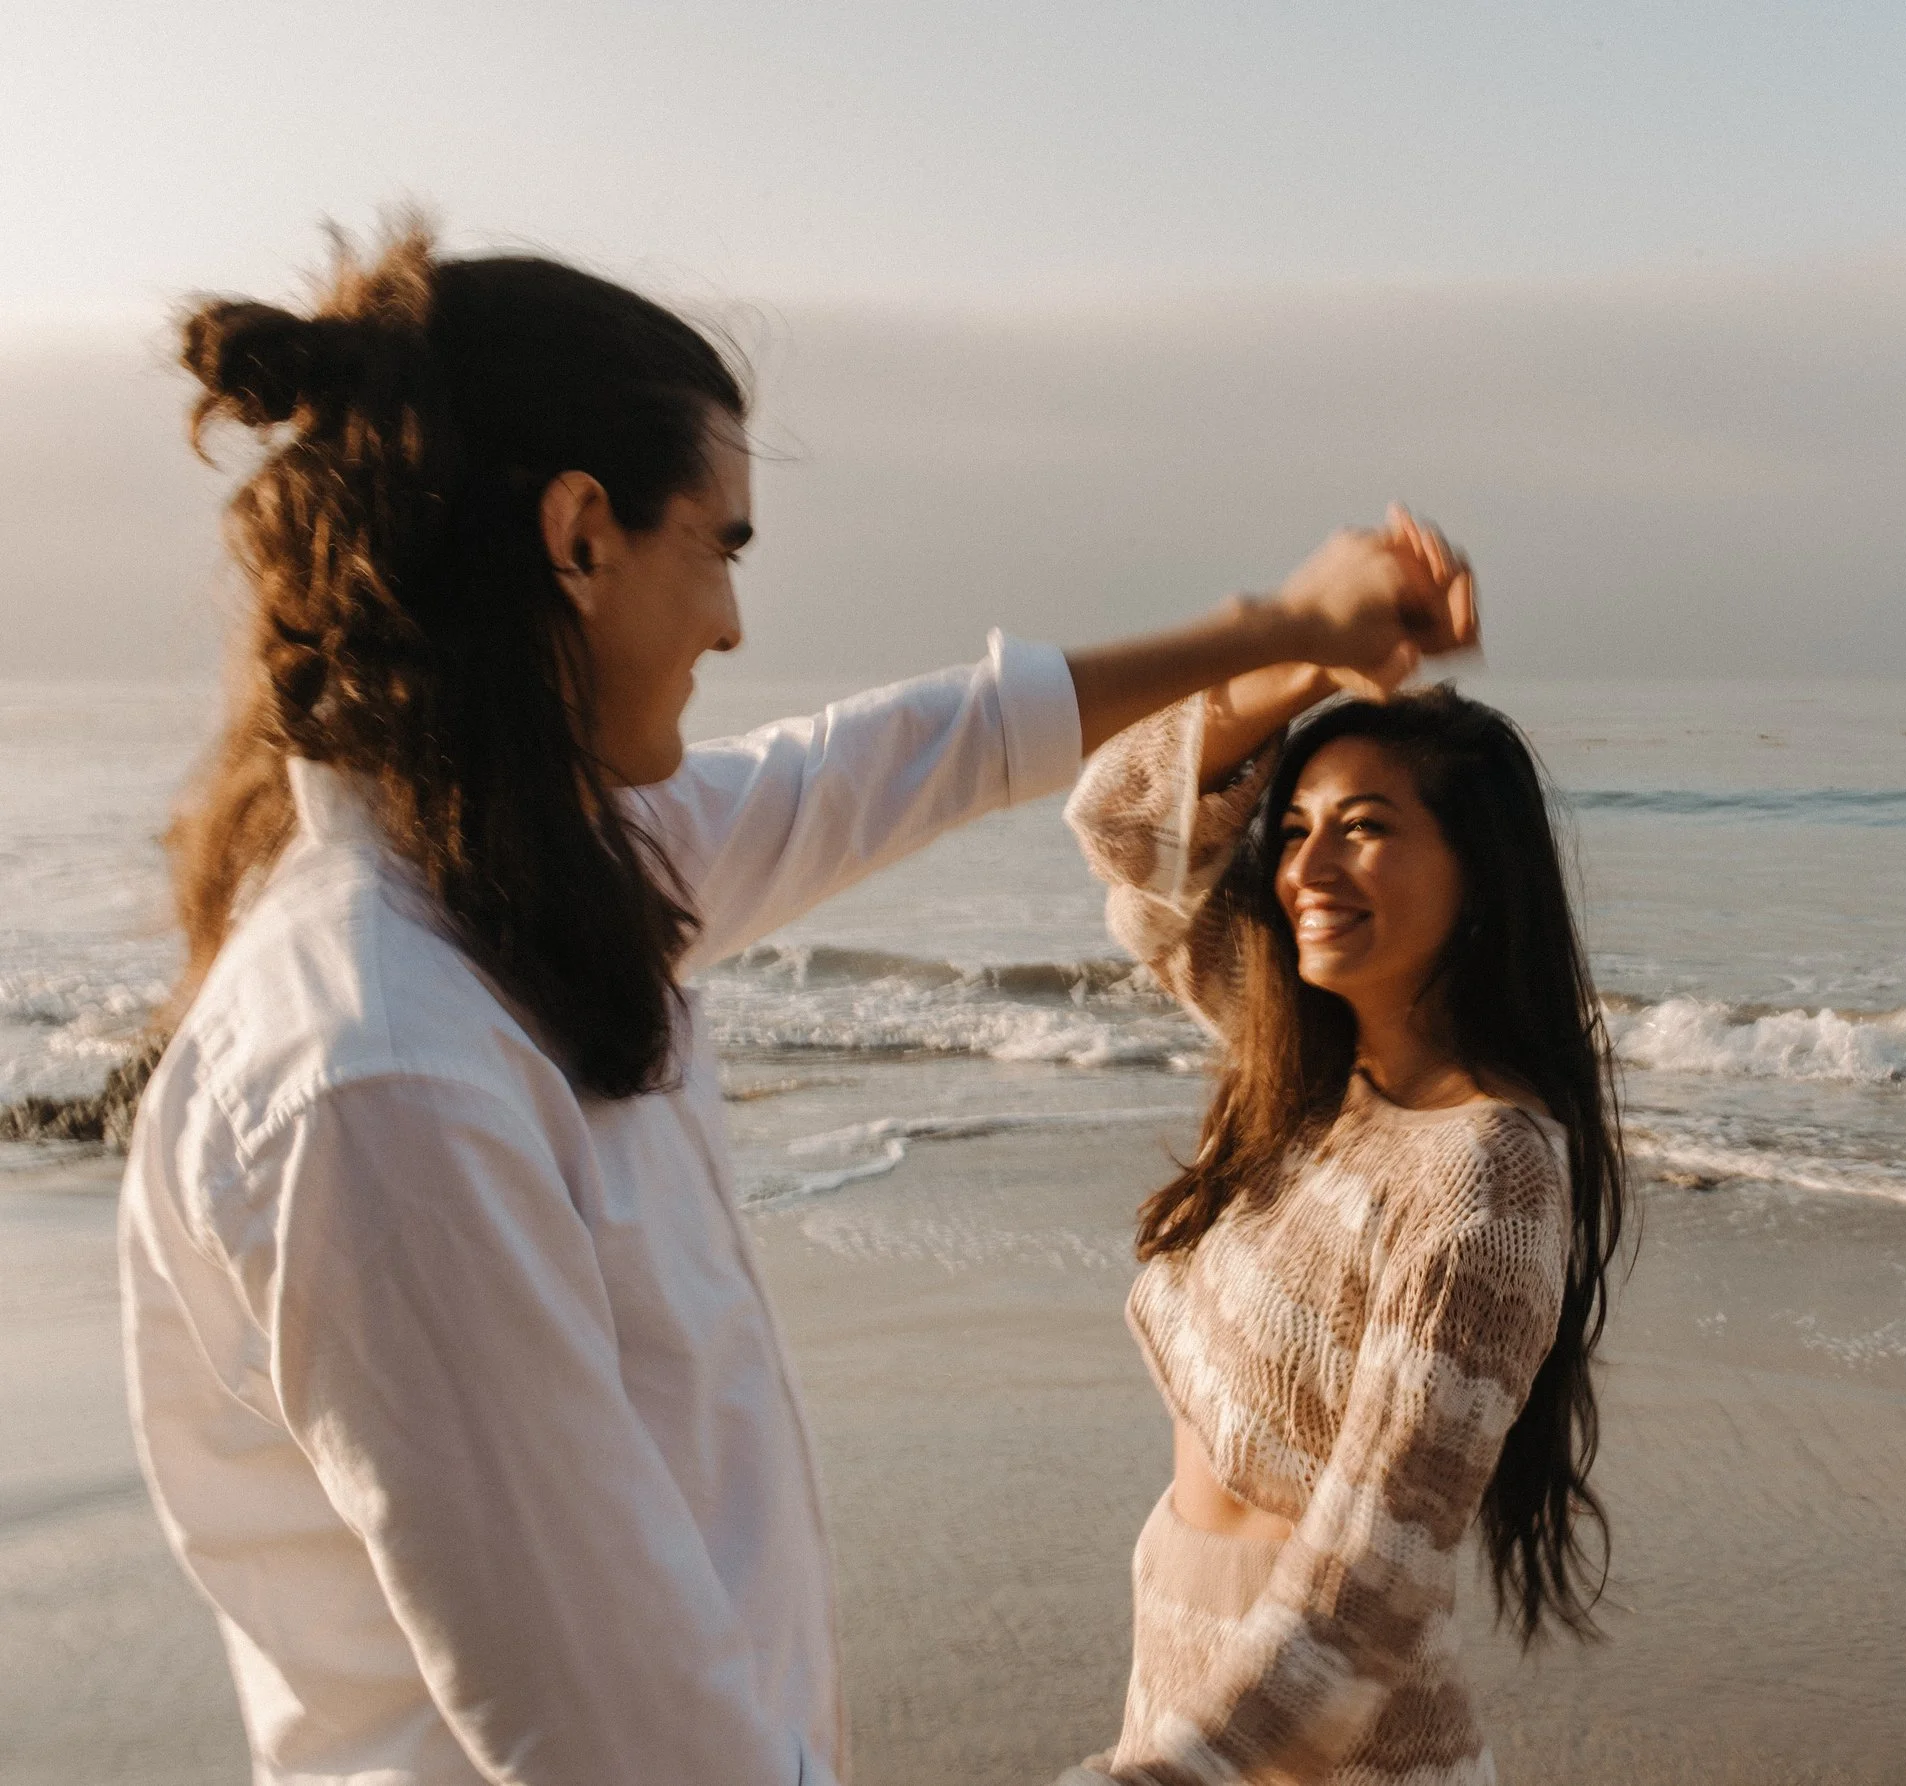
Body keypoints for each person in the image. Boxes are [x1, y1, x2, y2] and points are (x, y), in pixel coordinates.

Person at [117, 220, 1474, 1786]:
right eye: (725, 544)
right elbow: (616, 1738)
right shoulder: (383, 1074)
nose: (733, 623)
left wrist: (1285, 631)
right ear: (579, 535)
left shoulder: (538, 881)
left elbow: (896, 759)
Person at [1055, 665, 1627, 1785]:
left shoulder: (1487, 1174)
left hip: (1331, 1753)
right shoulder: (1299, 1073)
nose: (1305, 869)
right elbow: (1121, 818)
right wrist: (1305, 663)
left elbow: (1367, 1595)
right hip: (1192, 1708)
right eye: (1296, 829)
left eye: (1363, 829)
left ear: (1480, 875)